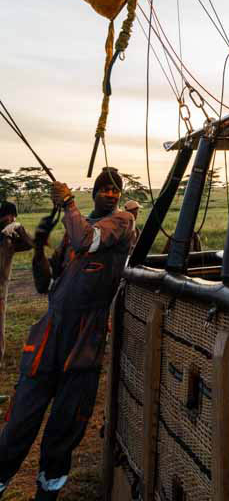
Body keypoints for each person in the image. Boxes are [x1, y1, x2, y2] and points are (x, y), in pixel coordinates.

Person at [0, 167, 133, 500]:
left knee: (62, 432)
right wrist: (39, 247)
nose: (111, 194)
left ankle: (47, 494)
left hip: (84, 342)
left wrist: (68, 205)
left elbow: (86, 240)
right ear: (94, 191)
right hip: (49, 334)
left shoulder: (121, 224)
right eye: (105, 188)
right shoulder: (79, 224)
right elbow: (47, 282)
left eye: (116, 190)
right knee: (18, 424)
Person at [0, 203, 33, 368]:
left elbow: (30, 243)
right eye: (9, 216)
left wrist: (18, 228)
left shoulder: (10, 237)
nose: (11, 220)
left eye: (14, 217)